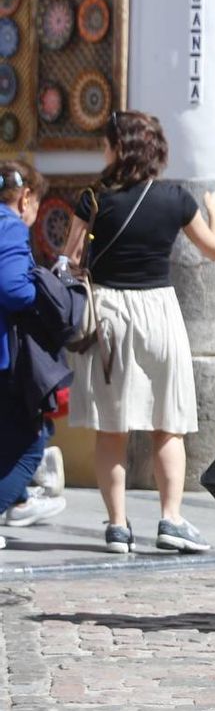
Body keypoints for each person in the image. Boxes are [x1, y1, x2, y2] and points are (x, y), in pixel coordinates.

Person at [63, 111, 215, 554]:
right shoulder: (174, 198)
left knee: (111, 429)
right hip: (159, 312)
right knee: (167, 425)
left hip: (110, 314)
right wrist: (214, 211)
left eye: (107, 142)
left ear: (120, 148)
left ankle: (118, 527)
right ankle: (170, 519)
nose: (103, 149)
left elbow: (70, 261)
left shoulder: (94, 198)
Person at [0, 161, 54, 547]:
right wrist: (49, 292)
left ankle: (20, 497)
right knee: (31, 444)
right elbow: (14, 289)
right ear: (26, 197)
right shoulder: (9, 225)